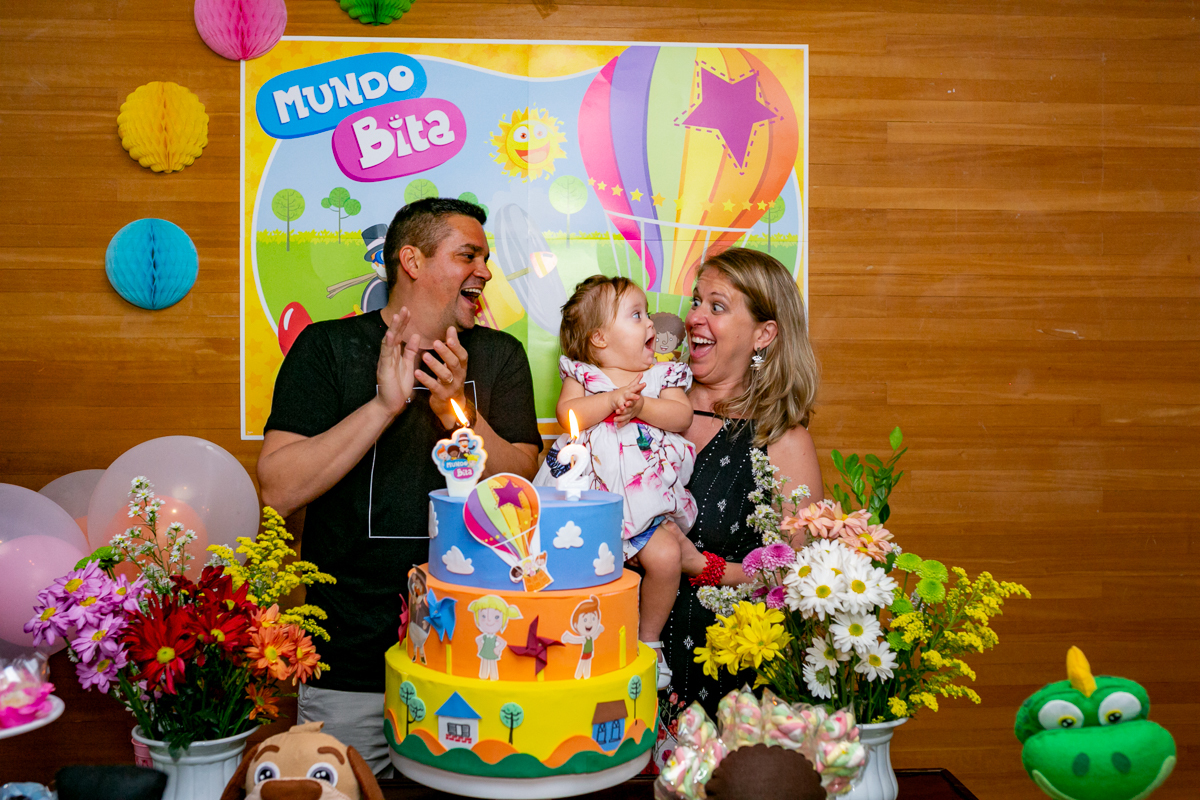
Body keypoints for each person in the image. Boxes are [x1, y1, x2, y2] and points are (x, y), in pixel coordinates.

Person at [256, 197, 542, 774]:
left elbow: (520, 481)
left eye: (484, 257)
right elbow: (278, 489)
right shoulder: (328, 348)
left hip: (473, 655)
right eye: (469, 255)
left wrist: (456, 409)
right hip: (349, 660)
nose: (484, 271)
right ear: (411, 259)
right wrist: (383, 407)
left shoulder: (500, 354)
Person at [661, 247, 824, 716]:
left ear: (763, 334)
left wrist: (703, 567)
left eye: (717, 306)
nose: (694, 318)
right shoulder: (644, 405)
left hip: (720, 680)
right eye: (696, 301)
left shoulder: (780, 439)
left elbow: (797, 576)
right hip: (617, 658)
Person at [534, 275, 696, 690]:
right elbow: (568, 415)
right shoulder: (585, 376)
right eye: (636, 315)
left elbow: (681, 419)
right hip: (587, 499)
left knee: (665, 560)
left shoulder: (664, 376)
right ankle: (579, 640)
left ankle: (650, 641)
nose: (649, 325)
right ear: (600, 338)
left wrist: (641, 406)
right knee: (576, 569)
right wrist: (609, 400)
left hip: (643, 501)